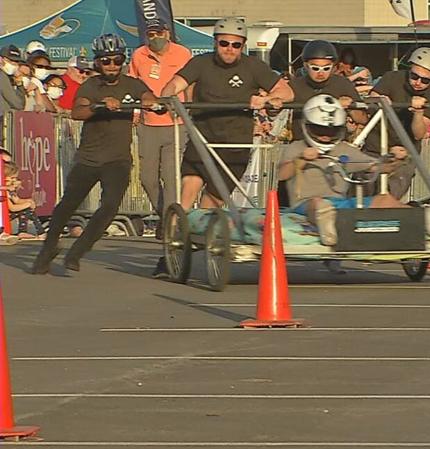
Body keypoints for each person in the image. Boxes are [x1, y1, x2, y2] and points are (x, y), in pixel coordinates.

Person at [31, 34, 158, 275]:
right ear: (97, 62)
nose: (111, 65)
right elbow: (77, 112)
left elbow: (147, 96)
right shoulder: (91, 85)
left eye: (117, 60)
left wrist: (151, 102)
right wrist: (98, 106)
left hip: (118, 160)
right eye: (106, 61)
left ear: (123, 60)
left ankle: (77, 251)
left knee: (109, 207)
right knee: (67, 205)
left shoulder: (132, 84)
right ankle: (48, 248)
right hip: (88, 158)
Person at [276, 94, 430, 245]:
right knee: (319, 204)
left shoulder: (343, 149)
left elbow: (377, 167)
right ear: (307, 126)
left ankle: (426, 219)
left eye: (331, 131)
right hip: (305, 203)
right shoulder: (296, 147)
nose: (325, 136)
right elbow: (282, 175)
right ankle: (328, 228)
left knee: (384, 199)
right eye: (319, 130)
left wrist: (396, 159)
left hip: (341, 203)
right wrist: (301, 159)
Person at [160, 17, 294, 209]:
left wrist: (265, 100)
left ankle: (198, 225)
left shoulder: (254, 66)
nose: (229, 49)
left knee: (212, 204)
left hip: (235, 146)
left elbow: (287, 92)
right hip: (202, 140)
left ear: (243, 46)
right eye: (224, 43)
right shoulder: (200, 63)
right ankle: (174, 225)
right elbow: (174, 84)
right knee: (188, 191)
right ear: (215, 42)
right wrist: (168, 97)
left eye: (236, 45)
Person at [128, 18, 193, 277]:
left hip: (176, 123)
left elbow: (191, 83)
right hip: (148, 123)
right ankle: (166, 217)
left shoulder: (182, 53)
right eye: (151, 33)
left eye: (158, 33)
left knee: (171, 178)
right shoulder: (139, 55)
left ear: (167, 33)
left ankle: (170, 230)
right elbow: (133, 84)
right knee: (147, 178)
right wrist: (135, 112)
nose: (154, 37)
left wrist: (191, 111)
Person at [367, 46, 430, 198]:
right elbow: (370, 99)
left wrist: (418, 113)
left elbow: (419, 134)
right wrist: (379, 99)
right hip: (375, 146)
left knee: (391, 194)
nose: (418, 82)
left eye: (425, 80)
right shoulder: (391, 78)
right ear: (409, 69)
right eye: (414, 76)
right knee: (363, 191)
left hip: (405, 152)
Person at [288, 40, 361, 136]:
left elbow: (363, 118)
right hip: (302, 141)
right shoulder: (293, 86)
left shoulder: (343, 84)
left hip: (337, 141)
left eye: (326, 68)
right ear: (305, 66)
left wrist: (351, 108)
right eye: (315, 68)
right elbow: (275, 113)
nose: (321, 73)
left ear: (333, 67)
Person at [3, 161, 46, 239]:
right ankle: (24, 231)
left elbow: (17, 200)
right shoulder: (3, 191)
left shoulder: (10, 189)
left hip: (8, 214)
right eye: (11, 178)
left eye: (15, 178)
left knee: (29, 210)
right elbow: (12, 208)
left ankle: (40, 232)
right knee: (26, 210)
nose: (14, 181)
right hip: (4, 216)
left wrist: (29, 201)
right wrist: (27, 205)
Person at [0, 45, 26, 115]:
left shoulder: (7, 77)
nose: (14, 64)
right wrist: (20, 85)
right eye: (11, 61)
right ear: (1, 59)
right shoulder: (2, 76)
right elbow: (18, 104)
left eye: (16, 62)